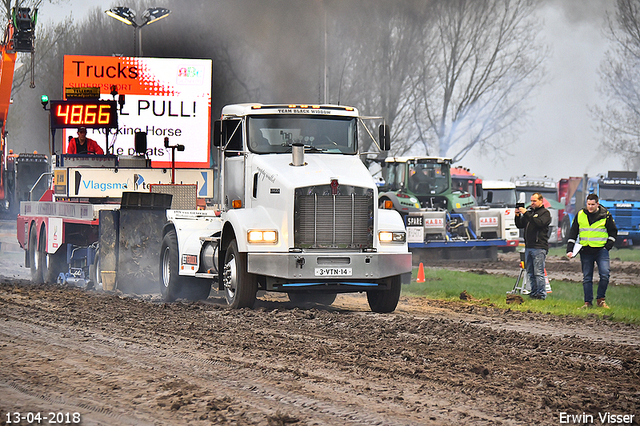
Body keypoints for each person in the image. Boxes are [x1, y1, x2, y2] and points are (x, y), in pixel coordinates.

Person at [566, 194, 617, 309]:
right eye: (588, 204)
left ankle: (601, 299)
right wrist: (570, 249)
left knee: (605, 275)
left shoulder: (606, 215)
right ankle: (587, 302)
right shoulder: (580, 214)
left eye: (593, 204)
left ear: (597, 204)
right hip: (585, 250)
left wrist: (607, 247)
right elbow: (573, 232)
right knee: (587, 277)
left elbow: (613, 232)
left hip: (601, 250)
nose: (590, 207)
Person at [515, 192, 551, 300]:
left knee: (538, 272)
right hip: (528, 246)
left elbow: (539, 223)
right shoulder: (530, 212)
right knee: (530, 271)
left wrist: (526, 213)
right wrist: (517, 215)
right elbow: (520, 225)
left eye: (534, 201)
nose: (532, 203)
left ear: (541, 201)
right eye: (531, 201)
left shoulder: (545, 213)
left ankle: (541, 294)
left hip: (539, 246)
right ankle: (534, 292)